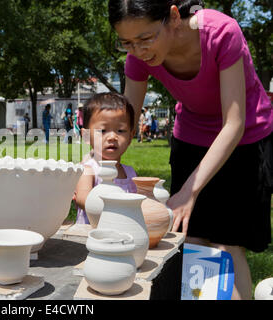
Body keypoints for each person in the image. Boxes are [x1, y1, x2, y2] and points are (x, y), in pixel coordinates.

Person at [109, 0, 273, 299]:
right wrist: (99, 163)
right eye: (127, 43)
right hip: (192, 137)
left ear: (173, 16)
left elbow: (234, 123)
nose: (139, 51)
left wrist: (188, 192)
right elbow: (127, 121)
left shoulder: (221, 31)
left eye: (146, 39)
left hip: (246, 138)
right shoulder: (137, 57)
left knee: (227, 243)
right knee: (194, 238)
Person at [73, 92, 138, 224]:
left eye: (120, 130)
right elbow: (82, 198)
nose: (112, 137)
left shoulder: (130, 173)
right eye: (103, 131)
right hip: (88, 237)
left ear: (131, 136)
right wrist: (116, 209)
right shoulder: (88, 170)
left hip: (122, 234)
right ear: (86, 136)